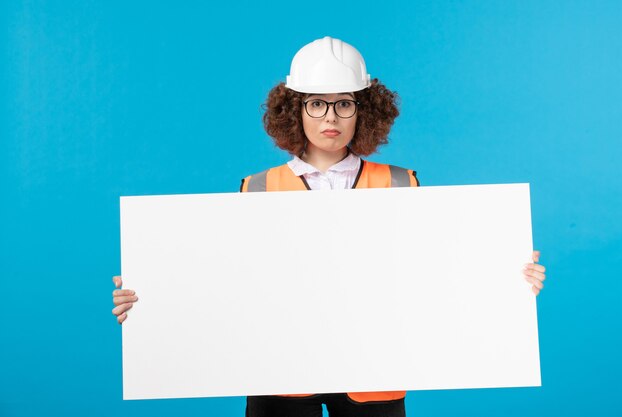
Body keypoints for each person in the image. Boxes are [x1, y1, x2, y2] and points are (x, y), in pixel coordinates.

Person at [112, 36, 548, 417]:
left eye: (344, 103)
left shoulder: (400, 182)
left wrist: (507, 279)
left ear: (364, 110)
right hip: (279, 372)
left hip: (375, 368)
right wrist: (151, 299)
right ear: (294, 110)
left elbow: (434, 272)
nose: (330, 117)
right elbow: (228, 282)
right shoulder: (258, 187)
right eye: (316, 103)